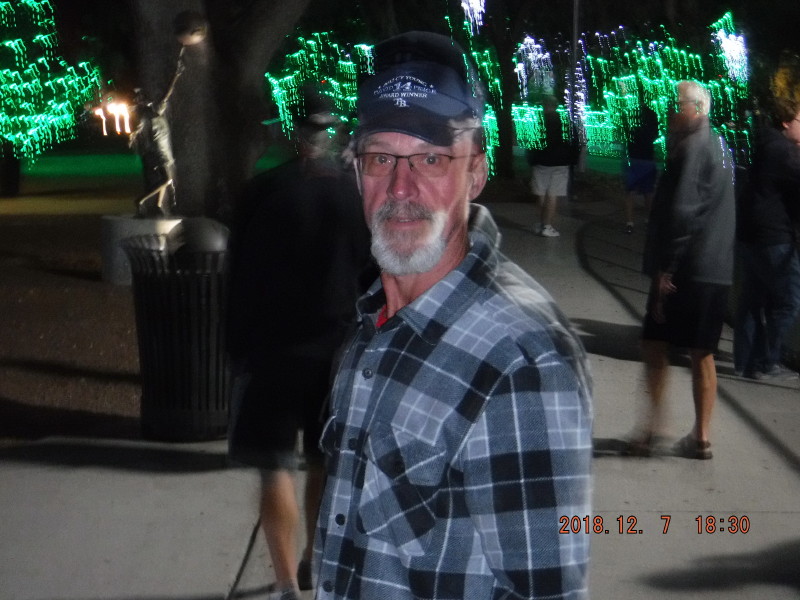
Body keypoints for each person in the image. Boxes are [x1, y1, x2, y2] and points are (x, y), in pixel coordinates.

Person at [313, 31, 593, 600]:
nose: (401, 187)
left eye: (432, 158)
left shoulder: (523, 361)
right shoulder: (373, 322)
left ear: (476, 174)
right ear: (358, 173)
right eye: (381, 157)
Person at [226, 95, 373, 600]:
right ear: (336, 133)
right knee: (323, 462)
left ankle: (287, 582)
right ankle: (315, 560)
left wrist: (236, 346)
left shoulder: (264, 191)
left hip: (273, 350)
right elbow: (374, 274)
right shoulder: (356, 195)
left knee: (275, 467)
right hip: (336, 347)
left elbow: (239, 276)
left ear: (295, 134)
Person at [633, 80, 735, 460]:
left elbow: (682, 212)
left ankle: (651, 429)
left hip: (686, 269)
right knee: (702, 351)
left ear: (697, 109)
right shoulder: (721, 146)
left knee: (654, 342)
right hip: (716, 267)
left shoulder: (690, 149)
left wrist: (666, 270)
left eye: (676, 104)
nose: (670, 111)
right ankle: (701, 436)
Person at [733, 90, 800, 380]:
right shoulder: (783, 151)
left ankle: (745, 361)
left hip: (751, 235)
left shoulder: (766, 144)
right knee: (789, 300)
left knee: (752, 300)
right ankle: (766, 361)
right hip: (773, 237)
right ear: (786, 122)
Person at [527, 95, 579, 237]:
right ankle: (547, 226)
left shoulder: (538, 122)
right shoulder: (566, 122)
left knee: (541, 193)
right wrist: (572, 160)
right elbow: (574, 143)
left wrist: (532, 160)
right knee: (553, 194)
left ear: (544, 106)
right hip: (561, 163)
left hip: (541, 162)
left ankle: (541, 223)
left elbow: (531, 143)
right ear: (556, 106)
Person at [622, 101, 659, 234]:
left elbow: (626, 132)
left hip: (633, 157)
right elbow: (655, 134)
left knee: (630, 192)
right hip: (647, 158)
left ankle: (630, 223)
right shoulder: (651, 114)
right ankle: (648, 220)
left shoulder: (630, 114)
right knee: (648, 192)